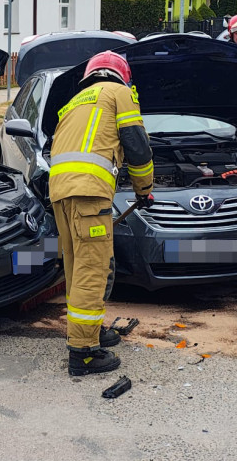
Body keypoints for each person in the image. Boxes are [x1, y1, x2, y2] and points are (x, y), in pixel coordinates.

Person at [49, 50, 155, 376]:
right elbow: (136, 145)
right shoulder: (119, 93)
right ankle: (82, 353)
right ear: (121, 77)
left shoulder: (76, 101)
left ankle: (90, 333)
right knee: (92, 270)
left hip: (61, 194)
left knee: (78, 265)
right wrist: (144, 189)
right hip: (89, 194)